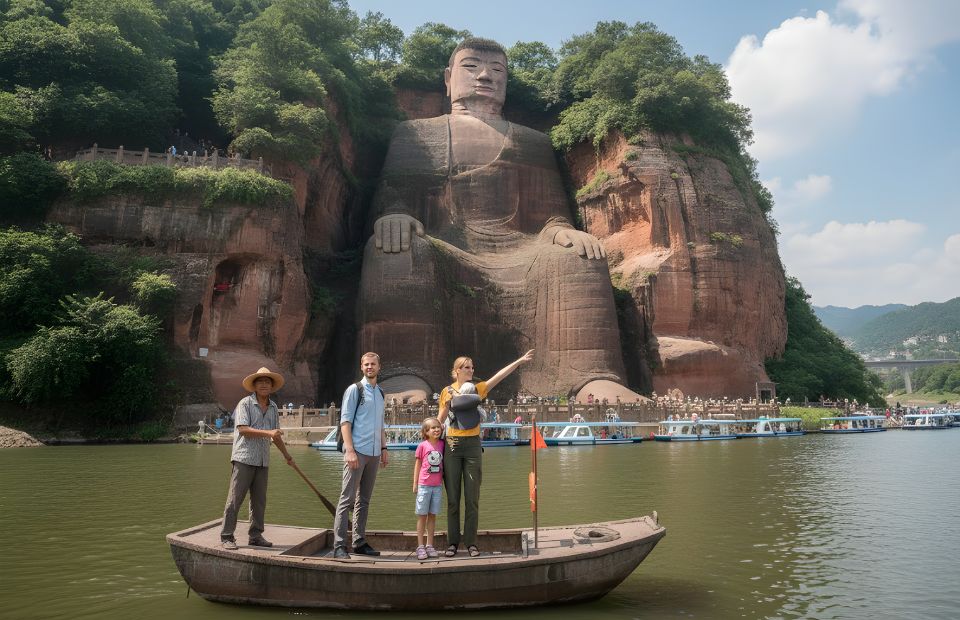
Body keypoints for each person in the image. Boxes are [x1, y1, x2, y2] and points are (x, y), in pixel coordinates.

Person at [357, 37, 640, 403]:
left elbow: (550, 215)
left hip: (523, 253)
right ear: (448, 78)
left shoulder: (533, 142)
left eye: (497, 70)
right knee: (392, 250)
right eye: (471, 67)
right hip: (447, 248)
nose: (485, 76)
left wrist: (561, 231)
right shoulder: (414, 133)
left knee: (579, 257)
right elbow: (393, 199)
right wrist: (394, 216)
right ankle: (403, 375)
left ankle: (591, 381)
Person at [438, 349, 534, 558]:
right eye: (466, 367)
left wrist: (518, 361)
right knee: (453, 498)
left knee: (472, 497)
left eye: (472, 367)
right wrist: (429, 443)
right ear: (456, 371)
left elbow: (499, 376)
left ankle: (471, 542)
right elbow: (440, 420)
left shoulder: (478, 389)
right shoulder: (447, 391)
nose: (471, 370)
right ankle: (452, 542)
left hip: (472, 445)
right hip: (452, 445)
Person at [220, 367, 294, 550]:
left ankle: (255, 535)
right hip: (244, 458)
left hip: (263, 460)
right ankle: (227, 536)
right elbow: (243, 429)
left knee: (259, 501)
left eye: (267, 382)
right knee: (235, 498)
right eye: (260, 382)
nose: (263, 385)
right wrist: (268, 432)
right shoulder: (245, 403)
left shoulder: (274, 407)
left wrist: (287, 456)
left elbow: (275, 435)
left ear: (271, 386)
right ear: (254, 385)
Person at [332, 352, 389, 559]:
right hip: (357, 451)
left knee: (364, 500)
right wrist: (349, 450)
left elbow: (380, 424)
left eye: (373, 364)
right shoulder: (355, 390)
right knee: (346, 499)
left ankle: (358, 541)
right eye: (366, 364)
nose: (369, 367)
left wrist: (384, 449)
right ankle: (339, 545)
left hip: (374, 452)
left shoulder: (381, 393)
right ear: (361, 366)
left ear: (379, 367)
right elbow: (345, 422)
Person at [412, 417, 444, 560]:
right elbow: (417, 465)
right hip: (424, 485)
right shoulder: (422, 446)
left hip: (437, 486)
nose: (436, 429)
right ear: (426, 431)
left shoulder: (443, 444)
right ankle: (420, 546)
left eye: (438, 427)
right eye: (433, 428)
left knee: (432, 516)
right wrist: (415, 484)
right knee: (422, 516)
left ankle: (430, 545)